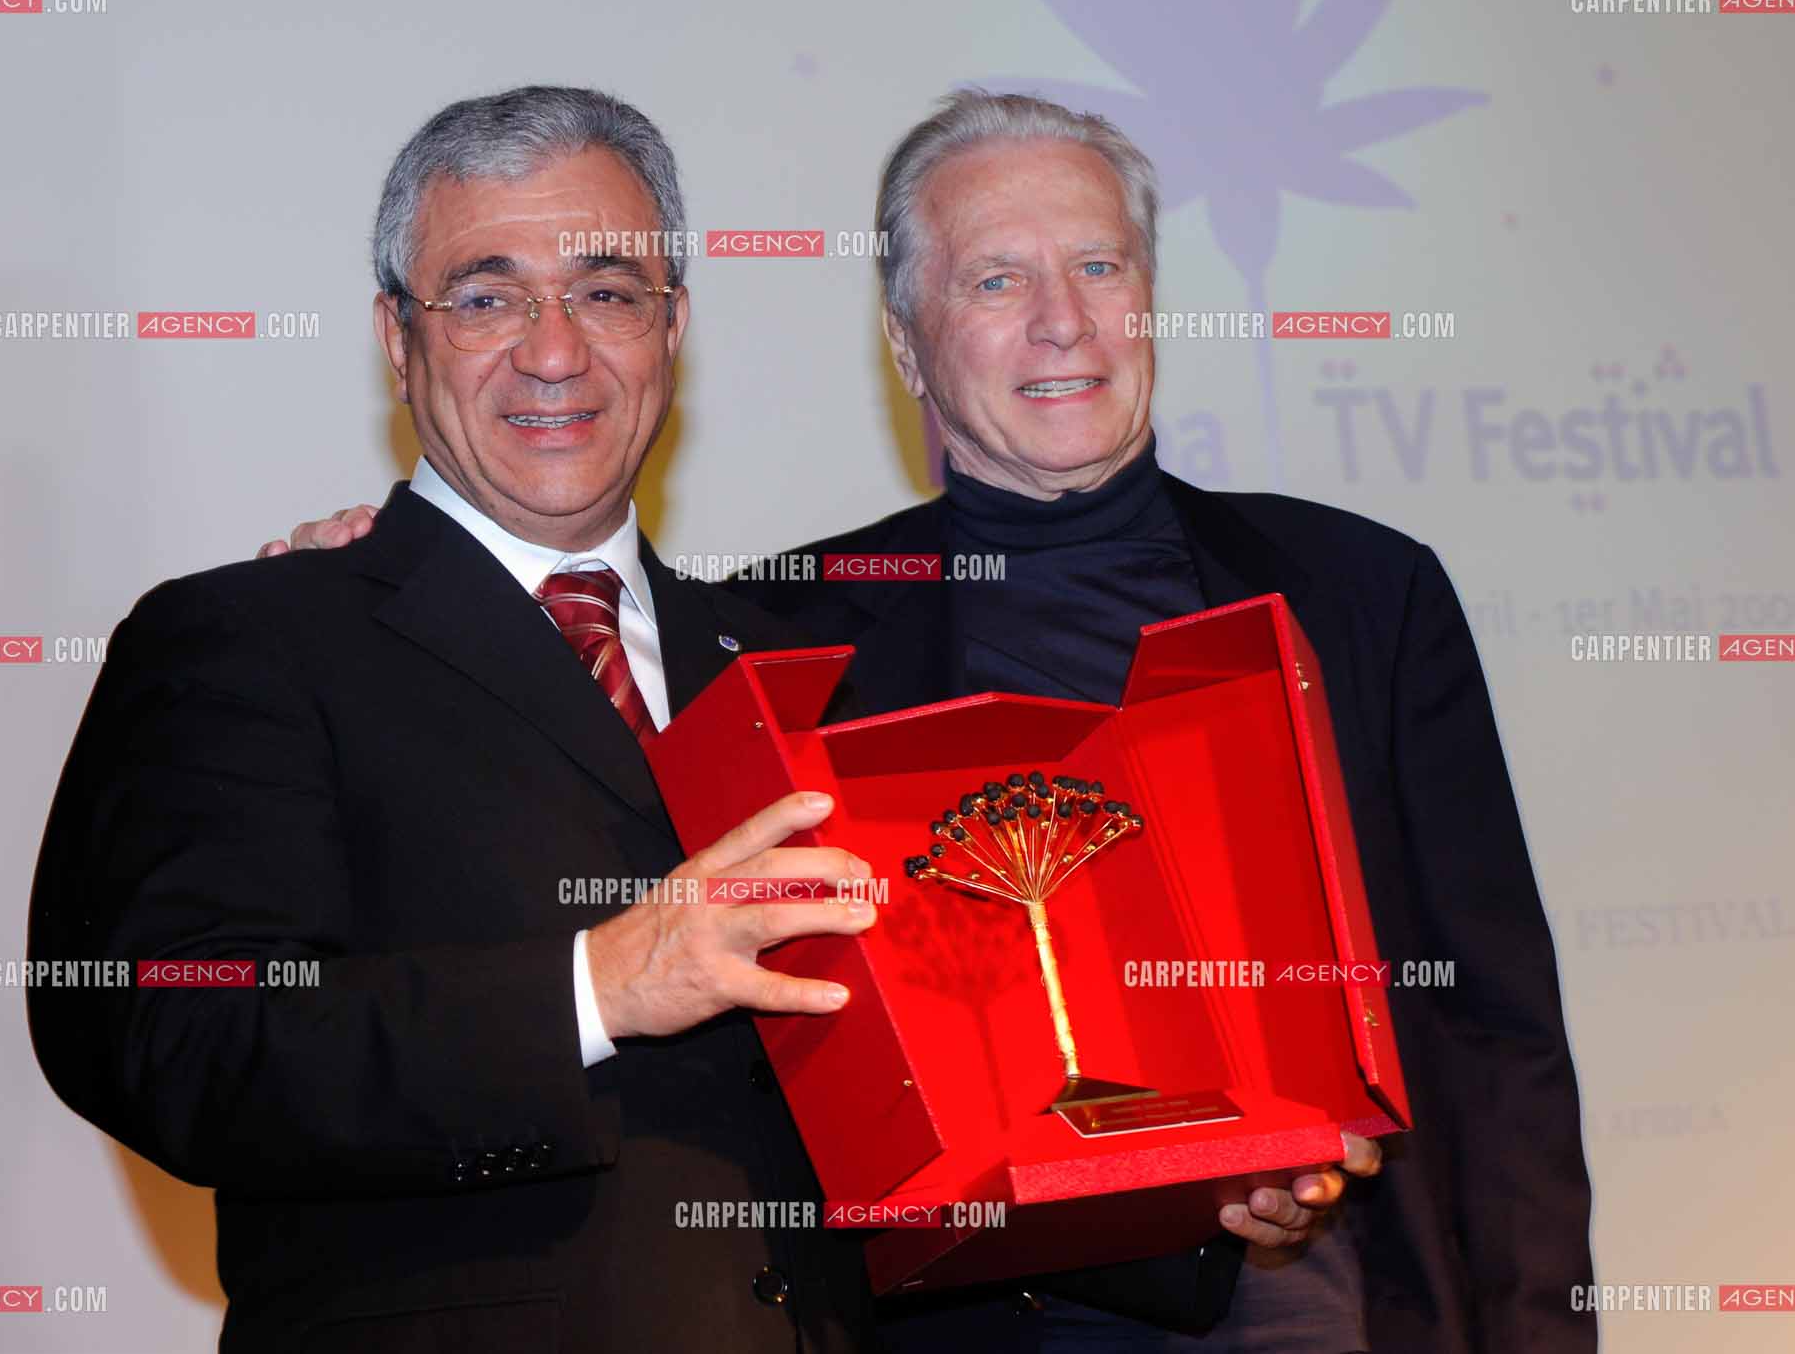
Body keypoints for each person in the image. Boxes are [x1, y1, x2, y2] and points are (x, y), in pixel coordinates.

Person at [269, 91, 1590, 1353]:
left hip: (1311, 1296)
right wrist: (380, 572)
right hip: (931, 1325)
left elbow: (1493, 1033)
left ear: (1148, 302)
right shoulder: (777, 632)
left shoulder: (1361, 592)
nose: (1059, 324)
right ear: (905, 340)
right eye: (995, 280)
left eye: (1098, 267)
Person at [28, 86, 886, 1353]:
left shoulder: (788, 662)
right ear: (397, 336)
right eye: (485, 298)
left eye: (606, 292)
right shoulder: (249, 638)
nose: (553, 350)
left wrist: (1200, 1198)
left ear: (672, 327)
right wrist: (592, 986)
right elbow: (175, 1035)